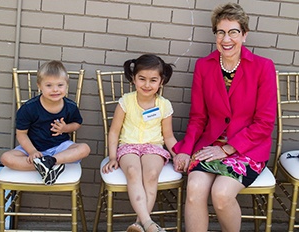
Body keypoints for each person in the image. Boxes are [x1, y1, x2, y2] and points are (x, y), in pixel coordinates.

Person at [172, 3, 277, 231]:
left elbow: (265, 123)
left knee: (220, 194)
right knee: (195, 190)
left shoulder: (263, 67)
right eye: (220, 32)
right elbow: (198, 117)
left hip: (247, 148)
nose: (226, 39)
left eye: (233, 32)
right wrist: (185, 149)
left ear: (244, 35)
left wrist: (229, 149)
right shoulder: (204, 66)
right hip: (211, 144)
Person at [102, 54, 177, 232]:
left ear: (161, 81)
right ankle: (149, 224)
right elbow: (114, 131)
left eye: (153, 80)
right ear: (134, 79)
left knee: (151, 173)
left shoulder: (164, 105)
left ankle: (138, 224)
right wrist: (113, 156)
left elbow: (168, 136)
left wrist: (177, 154)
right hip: (128, 146)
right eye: (142, 79)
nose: (146, 85)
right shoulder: (126, 101)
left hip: (153, 147)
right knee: (133, 171)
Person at [0, 60, 90, 185]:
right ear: (39, 86)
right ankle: (46, 166)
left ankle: (50, 162)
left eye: (60, 85)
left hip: (60, 148)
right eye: (49, 85)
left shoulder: (70, 106)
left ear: (67, 85)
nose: (55, 90)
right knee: (6, 158)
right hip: (33, 148)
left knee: (84, 148)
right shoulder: (29, 108)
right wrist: (32, 152)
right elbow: (21, 134)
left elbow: (77, 124)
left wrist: (65, 128)